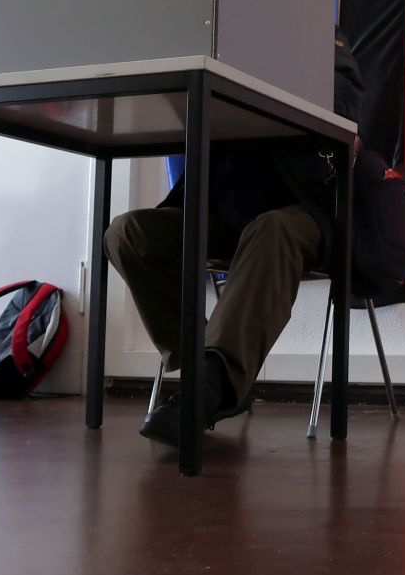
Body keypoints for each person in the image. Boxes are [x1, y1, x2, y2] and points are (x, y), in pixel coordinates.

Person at [105, 30, 364, 446]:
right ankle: (210, 368)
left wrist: (266, 75)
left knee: (272, 229)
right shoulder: (216, 31)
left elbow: (345, 105)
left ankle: (212, 386)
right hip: (224, 208)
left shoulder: (314, 32)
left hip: (300, 207)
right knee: (128, 233)